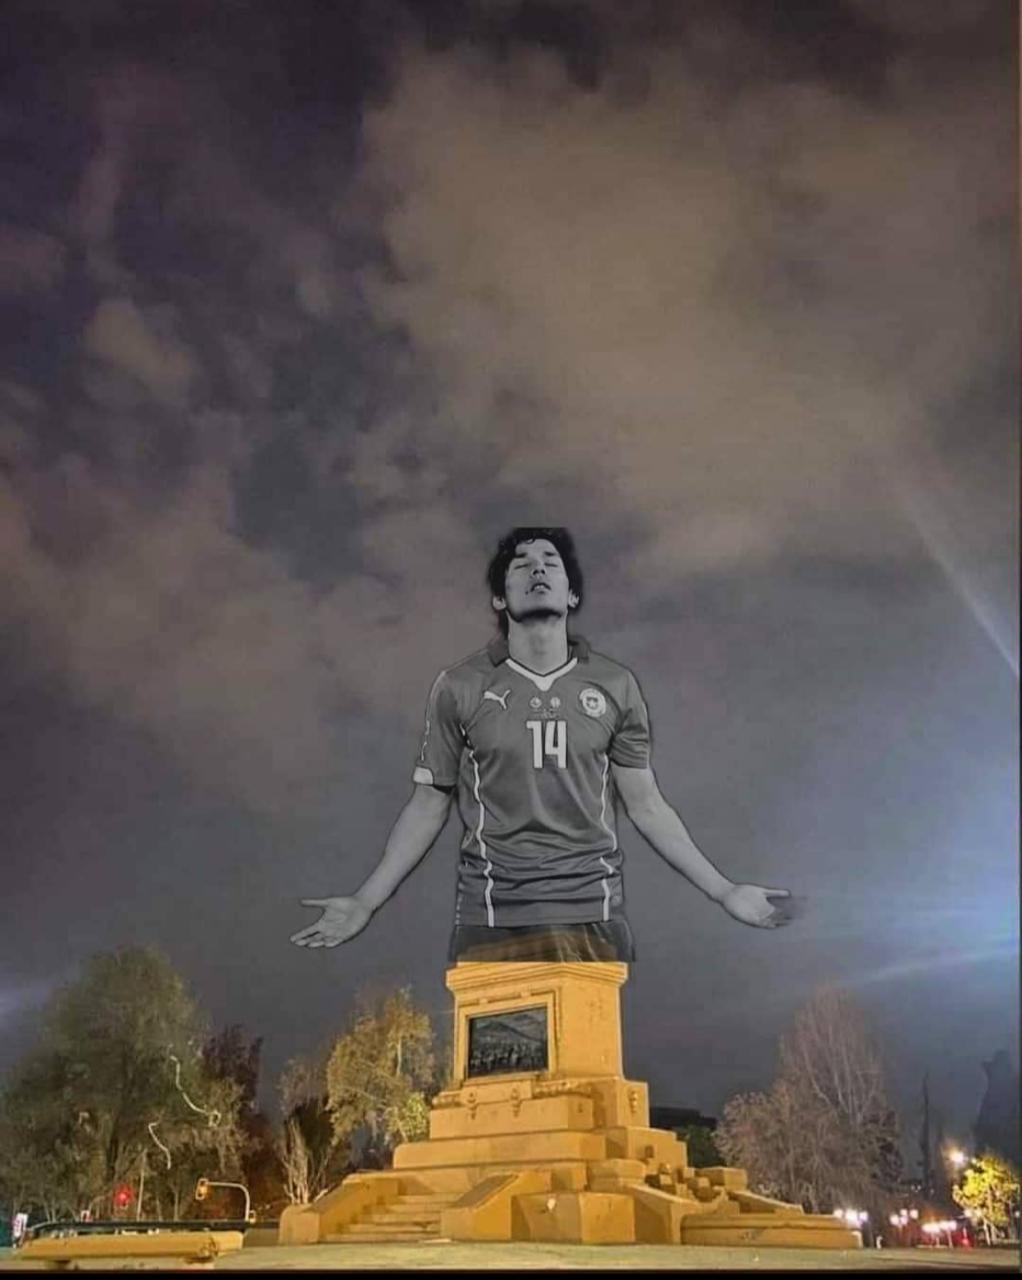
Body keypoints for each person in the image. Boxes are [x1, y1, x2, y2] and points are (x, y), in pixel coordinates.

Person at [291, 527, 796, 963]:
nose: (538, 569)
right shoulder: (460, 686)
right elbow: (428, 804)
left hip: (592, 911)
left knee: (583, 1053)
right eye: (522, 563)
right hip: (490, 913)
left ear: (571, 595)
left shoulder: (615, 684)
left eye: (551, 562)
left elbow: (646, 806)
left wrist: (724, 890)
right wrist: (366, 900)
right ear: (499, 599)